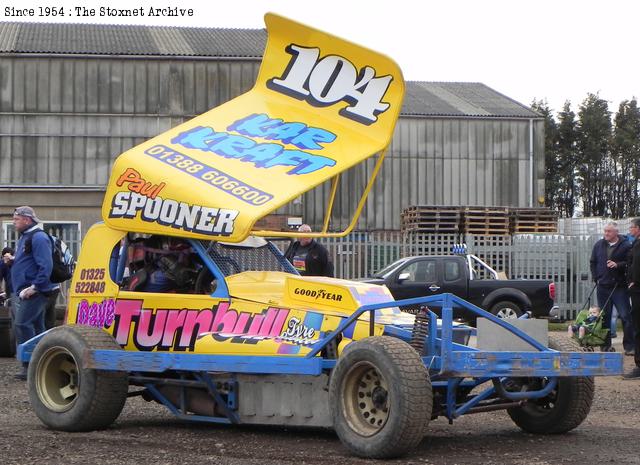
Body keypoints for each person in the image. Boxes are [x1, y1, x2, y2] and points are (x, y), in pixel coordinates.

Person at [10, 206, 55, 380]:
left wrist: (35, 287)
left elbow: (46, 265)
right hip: (28, 291)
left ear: (27, 220)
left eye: (16, 219)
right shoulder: (27, 237)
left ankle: (30, 366)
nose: (14, 223)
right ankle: (42, 366)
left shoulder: (38, 237)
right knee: (37, 328)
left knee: (22, 324)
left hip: (35, 292)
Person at [590, 222, 633, 353]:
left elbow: (631, 263)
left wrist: (618, 265)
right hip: (603, 286)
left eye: (609, 231)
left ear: (616, 232)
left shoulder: (626, 245)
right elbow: (593, 262)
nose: (606, 234)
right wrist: (596, 277)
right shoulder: (599, 245)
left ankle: (630, 347)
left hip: (619, 287)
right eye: (605, 231)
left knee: (626, 316)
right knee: (604, 317)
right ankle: (605, 346)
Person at [625, 218, 640, 378]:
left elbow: (636, 265)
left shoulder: (638, 245)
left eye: (632, 227)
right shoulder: (635, 244)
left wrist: (633, 282)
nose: (630, 230)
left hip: (638, 291)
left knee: (638, 327)